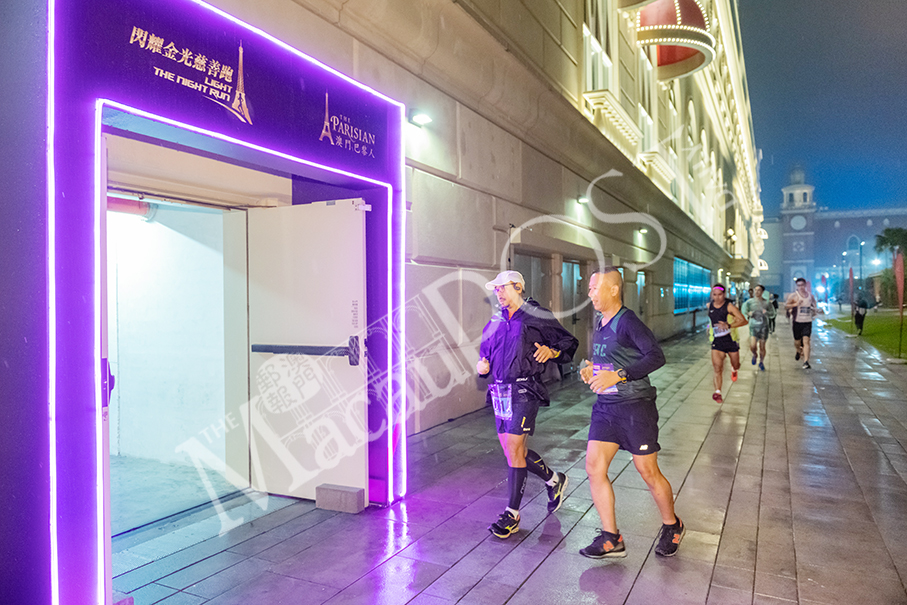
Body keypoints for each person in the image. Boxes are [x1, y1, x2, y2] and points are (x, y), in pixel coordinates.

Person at [577, 267, 683, 559]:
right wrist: (591, 369)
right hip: (606, 407)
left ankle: (672, 525)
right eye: (589, 288)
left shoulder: (628, 322)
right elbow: (609, 359)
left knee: (647, 471)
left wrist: (619, 375)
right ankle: (611, 538)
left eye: (595, 288)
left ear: (614, 290)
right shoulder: (600, 321)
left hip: (636, 407)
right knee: (594, 468)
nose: (590, 293)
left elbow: (656, 356)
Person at [477, 270, 578, 539]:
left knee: (514, 448)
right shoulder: (497, 319)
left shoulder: (536, 315)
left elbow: (568, 343)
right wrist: (482, 365)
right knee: (513, 453)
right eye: (496, 289)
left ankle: (512, 514)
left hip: (525, 389)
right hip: (500, 391)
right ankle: (555, 480)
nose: (498, 293)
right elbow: (486, 352)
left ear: (518, 287)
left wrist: (552, 351)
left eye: (503, 287)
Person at [707, 284, 747, 403]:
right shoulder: (709, 306)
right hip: (717, 341)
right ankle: (717, 392)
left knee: (736, 364)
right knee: (717, 367)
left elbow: (744, 321)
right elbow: (712, 320)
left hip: (731, 340)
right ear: (711, 295)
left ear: (724, 294)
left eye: (720, 295)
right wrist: (709, 328)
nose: (717, 297)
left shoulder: (729, 307)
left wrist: (729, 325)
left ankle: (734, 369)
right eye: (714, 295)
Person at [785, 278, 822, 369]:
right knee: (797, 342)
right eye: (799, 285)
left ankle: (806, 362)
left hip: (807, 322)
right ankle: (798, 350)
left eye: (802, 285)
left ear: (805, 285)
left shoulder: (810, 296)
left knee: (806, 341)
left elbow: (813, 307)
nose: (801, 287)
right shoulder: (793, 296)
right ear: (796, 286)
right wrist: (795, 304)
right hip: (797, 322)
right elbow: (786, 306)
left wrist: (816, 311)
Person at [741, 285, 776, 371]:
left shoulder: (767, 303)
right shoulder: (749, 302)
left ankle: (761, 362)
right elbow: (744, 310)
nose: (756, 292)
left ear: (762, 292)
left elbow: (772, 314)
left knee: (762, 346)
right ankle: (754, 354)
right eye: (755, 290)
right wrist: (748, 314)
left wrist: (766, 312)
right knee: (753, 345)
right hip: (753, 326)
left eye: (759, 290)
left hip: (764, 327)